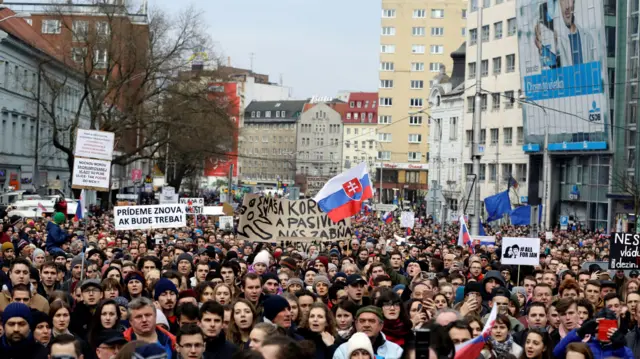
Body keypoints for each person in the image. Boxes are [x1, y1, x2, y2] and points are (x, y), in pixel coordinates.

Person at [332, 306, 403, 359]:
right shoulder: (342, 350)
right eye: (362, 321)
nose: (366, 325)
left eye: (372, 321)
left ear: (381, 325)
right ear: (356, 324)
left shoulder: (395, 350)